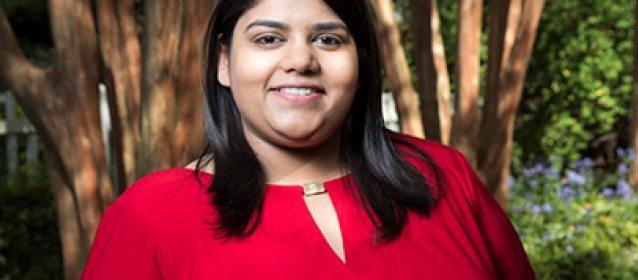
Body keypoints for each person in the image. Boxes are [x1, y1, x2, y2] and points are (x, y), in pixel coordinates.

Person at [81, 0, 536, 279]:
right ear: (223, 63)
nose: (300, 59)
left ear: (360, 65)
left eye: (328, 40)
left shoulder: (443, 177)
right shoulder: (150, 216)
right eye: (267, 39)